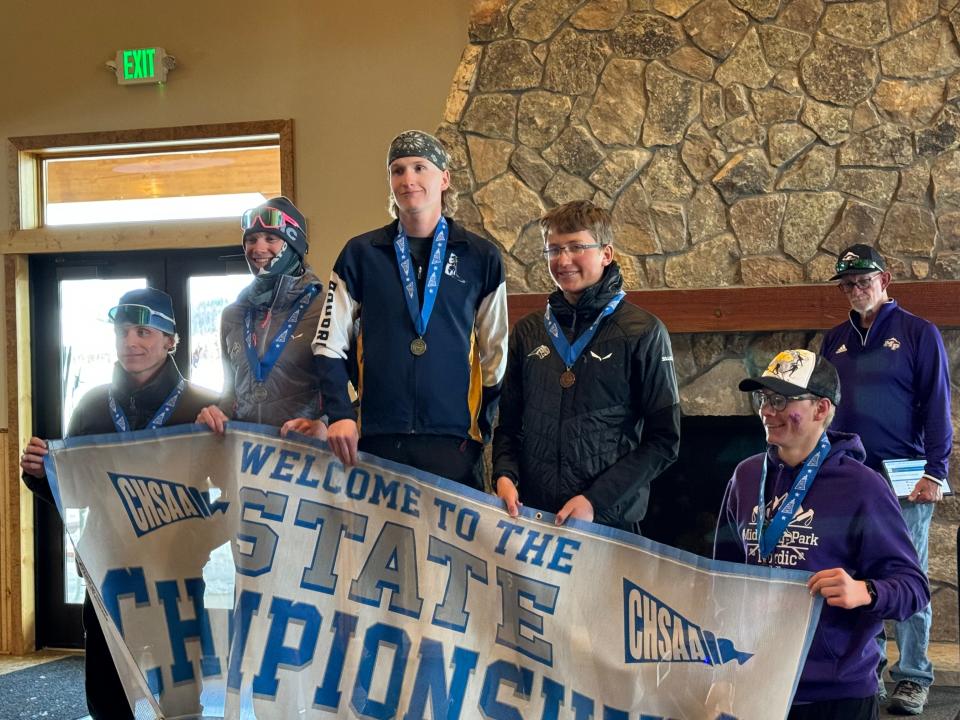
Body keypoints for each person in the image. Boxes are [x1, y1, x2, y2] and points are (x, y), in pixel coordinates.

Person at [20, 288, 219, 720]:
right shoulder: (93, 405)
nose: (131, 342)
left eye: (144, 332)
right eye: (123, 332)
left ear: (170, 340)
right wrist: (40, 473)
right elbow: (75, 494)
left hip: (176, 577)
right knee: (107, 695)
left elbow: (235, 492)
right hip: (108, 572)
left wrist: (200, 539)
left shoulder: (203, 407)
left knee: (181, 700)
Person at [714, 348, 930, 720]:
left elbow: (914, 587)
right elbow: (722, 573)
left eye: (781, 400)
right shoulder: (746, 476)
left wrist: (865, 591)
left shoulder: (863, 487)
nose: (767, 410)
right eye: (763, 398)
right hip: (754, 679)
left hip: (833, 692)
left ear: (821, 409)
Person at [312, 130, 508, 489]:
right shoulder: (360, 253)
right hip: (376, 440)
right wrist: (340, 413)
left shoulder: (481, 257)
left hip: (453, 443)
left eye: (420, 168)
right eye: (398, 170)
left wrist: (482, 426)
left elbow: (496, 353)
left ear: (444, 178)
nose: (409, 179)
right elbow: (328, 343)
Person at [820, 243, 952, 715]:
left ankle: (913, 675)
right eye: (848, 284)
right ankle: (865, 669)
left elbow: (937, 405)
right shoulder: (833, 339)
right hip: (850, 476)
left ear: (885, 279)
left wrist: (936, 471)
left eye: (864, 281)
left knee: (907, 573)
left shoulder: (919, 333)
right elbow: (823, 411)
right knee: (856, 575)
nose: (856, 290)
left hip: (906, 478)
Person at [492, 200, 680, 529]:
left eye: (576, 247)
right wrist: (504, 475)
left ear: (606, 253)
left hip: (608, 522)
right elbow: (508, 427)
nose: (563, 260)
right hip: (534, 518)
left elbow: (664, 441)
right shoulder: (528, 330)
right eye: (553, 249)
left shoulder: (643, 331)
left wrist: (595, 501)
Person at [196, 196, 326, 437]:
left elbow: (366, 396)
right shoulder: (232, 315)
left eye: (271, 238)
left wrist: (325, 425)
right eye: (251, 240)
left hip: (306, 459)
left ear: (294, 244)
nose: (258, 248)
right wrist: (215, 414)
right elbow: (231, 396)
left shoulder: (327, 308)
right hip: (248, 463)